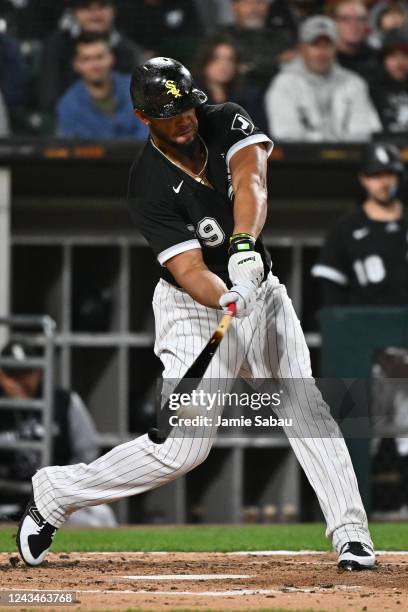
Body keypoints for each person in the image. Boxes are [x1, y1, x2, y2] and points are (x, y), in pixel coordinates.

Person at [17, 56, 376, 572]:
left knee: (305, 407)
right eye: (169, 112)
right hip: (194, 307)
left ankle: (351, 535)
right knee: (183, 451)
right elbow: (188, 268)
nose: (184, 118)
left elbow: (251, 179)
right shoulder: (147, 185)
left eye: (187, 105)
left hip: (260, 287)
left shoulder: (222, 117)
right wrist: (223, 295)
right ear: (144, 118)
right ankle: (55, 491)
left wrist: (246, 248)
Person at [0, 341, 116, 527]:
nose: (19, 382)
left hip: (56, 502)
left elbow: (87, 452)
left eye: (25, 374)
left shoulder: (64, 401)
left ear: (38, 373)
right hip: (6, 503)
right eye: (12, 375)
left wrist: (64, 488)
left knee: (101, 517)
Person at [311, 142, 408, 305]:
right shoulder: (345, 229)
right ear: (363, 179)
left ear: (399, 177)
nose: (384, 183)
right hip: (366, 325)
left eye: (390, 174)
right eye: (376, 175)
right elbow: (331, 291)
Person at [265, 15, 381, 141]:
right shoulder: (284, 84)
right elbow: (286, 135)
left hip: (350, 159)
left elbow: (362, 133)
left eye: (327, 45)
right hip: (299, 159)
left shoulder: (354, 83)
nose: (322, 52)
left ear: (336, 48)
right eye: (315, 45)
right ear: (302, 48)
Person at [38, 0, 143, 114]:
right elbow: (49, 99)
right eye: (86, 8)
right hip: (71, 121)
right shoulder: (56, 46)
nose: (95, 15)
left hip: (121, 123)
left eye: (102, 6)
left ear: (113, 11)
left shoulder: (126, 50)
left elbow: (134, 101)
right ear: (75, 12)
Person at [56, 33, 148, 139]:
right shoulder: (69, 105)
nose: (95, 65)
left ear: (111, 59)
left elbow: (149, 135)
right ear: (76, 65)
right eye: (86, 59)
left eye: (99, 57)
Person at [192, 35, 268, 132]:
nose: (224, 65)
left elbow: (261, 136)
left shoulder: (250, 97)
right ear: (204, 61)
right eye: (216, 58)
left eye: (230, 59)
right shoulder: (190, 98)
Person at [218, 0, 294, 88]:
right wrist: (276, 60)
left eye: (259, 2)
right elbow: (238, 69)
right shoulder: (222, 38)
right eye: (247, 3)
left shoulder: (283, 36)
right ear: (234, 7)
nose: (253, 9)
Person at [369, 26, 408, 134]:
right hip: (382, 146)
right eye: (392, 56)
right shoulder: (371, 90)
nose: (399, 63)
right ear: (383, 60)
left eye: (405, 55)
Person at [328, 0, 377, 80]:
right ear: (333, 22)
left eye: (361, 19)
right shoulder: (323, 58)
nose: (354, 24)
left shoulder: (377, 59)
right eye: (346, 19)